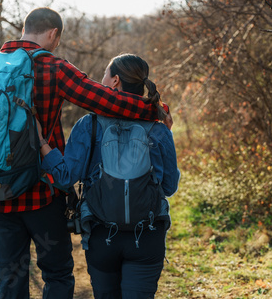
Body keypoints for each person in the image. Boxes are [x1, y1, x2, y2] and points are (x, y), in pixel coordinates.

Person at [0, 8, 171, 299]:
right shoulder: (54, 67)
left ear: (24, 28)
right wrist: (155, 110)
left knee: (9, 279)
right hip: (42, 195)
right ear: (53, 34)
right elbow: (107, 101)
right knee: (56, 274)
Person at [38, 53, 180, 299]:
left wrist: (42, 142)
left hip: (102, 236)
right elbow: (168, 187)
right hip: (147, 236)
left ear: (114, 81)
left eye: (104, 75)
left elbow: (63, 178)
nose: (101, 80)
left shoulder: (88, 125)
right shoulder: (159, 128)